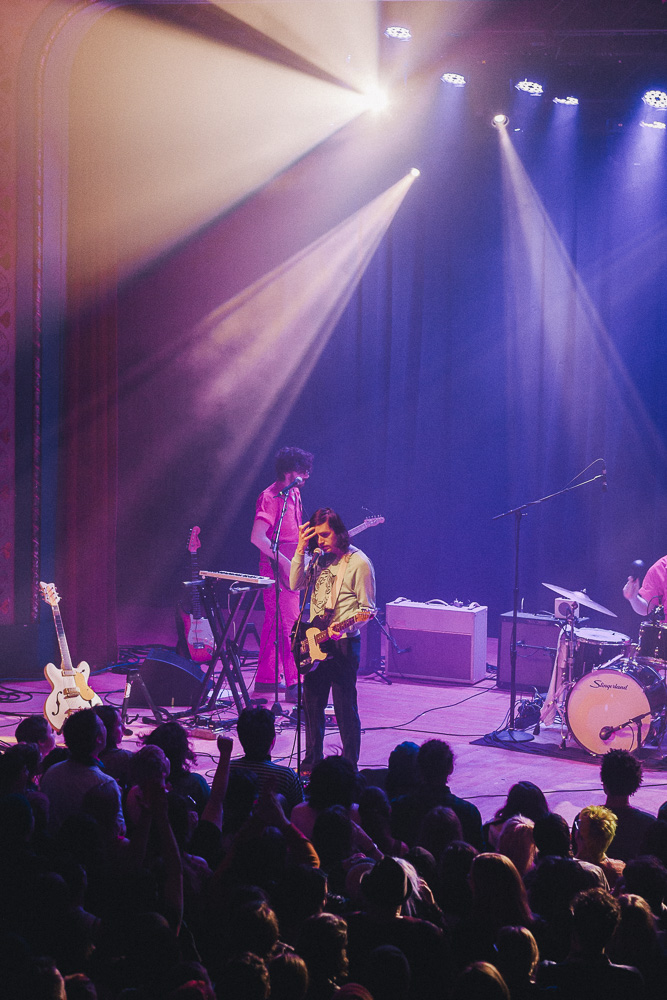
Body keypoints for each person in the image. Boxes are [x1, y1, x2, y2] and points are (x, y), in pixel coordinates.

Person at [290, 508, 376, 769]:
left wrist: (347, 629)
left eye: (325, 535)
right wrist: (300, 550)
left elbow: (368, 609)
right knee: (312, 707)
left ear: (340, 532)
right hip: (314, 640)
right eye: (317, 536)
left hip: (342, 644)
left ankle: (349, 765)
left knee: (344, 709)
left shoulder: (359, 563)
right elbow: (294, 584)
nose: (321, 541)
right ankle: (310, 763)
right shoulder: (318, 559)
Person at [251, 446, 314, 702]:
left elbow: (293, 532)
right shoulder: (269, 497)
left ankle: (266, 679)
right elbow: (258, 538)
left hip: (291, 563)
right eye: (303, 471)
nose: (307, 476)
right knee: (291, 623)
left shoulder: (296, 494)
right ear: (289, 472)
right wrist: (286, 562)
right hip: (275, 567)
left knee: (275, 622)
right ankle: (294, 683)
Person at [231, 707, 303, 814]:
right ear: (273, 741)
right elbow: (299, 813)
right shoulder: (287, 776)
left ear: (240, 739)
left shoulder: (228, 770)